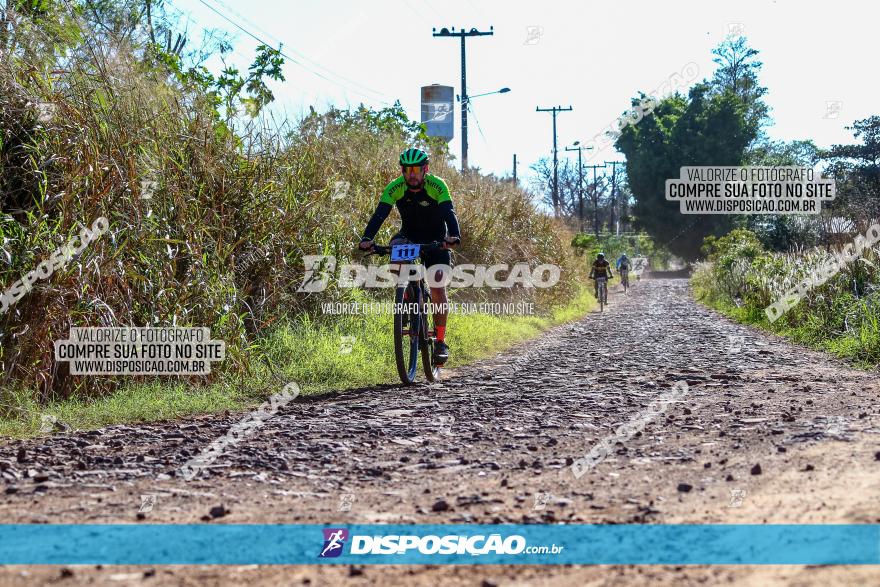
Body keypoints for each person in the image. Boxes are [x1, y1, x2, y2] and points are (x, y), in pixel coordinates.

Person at [359, 148, 461, 364]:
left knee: (437, 286)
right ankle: (406, 295)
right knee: (395, 253)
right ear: (403, 171)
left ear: (425, 169)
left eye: (416, 169)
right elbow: (380, 214)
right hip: (409, 236)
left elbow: (448, 213)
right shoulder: (395, 187)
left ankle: (440, 341)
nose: (411, 174)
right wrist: (367, 237)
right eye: (407, 170)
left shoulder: (437, 185)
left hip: (436, 239)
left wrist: (453, 235)